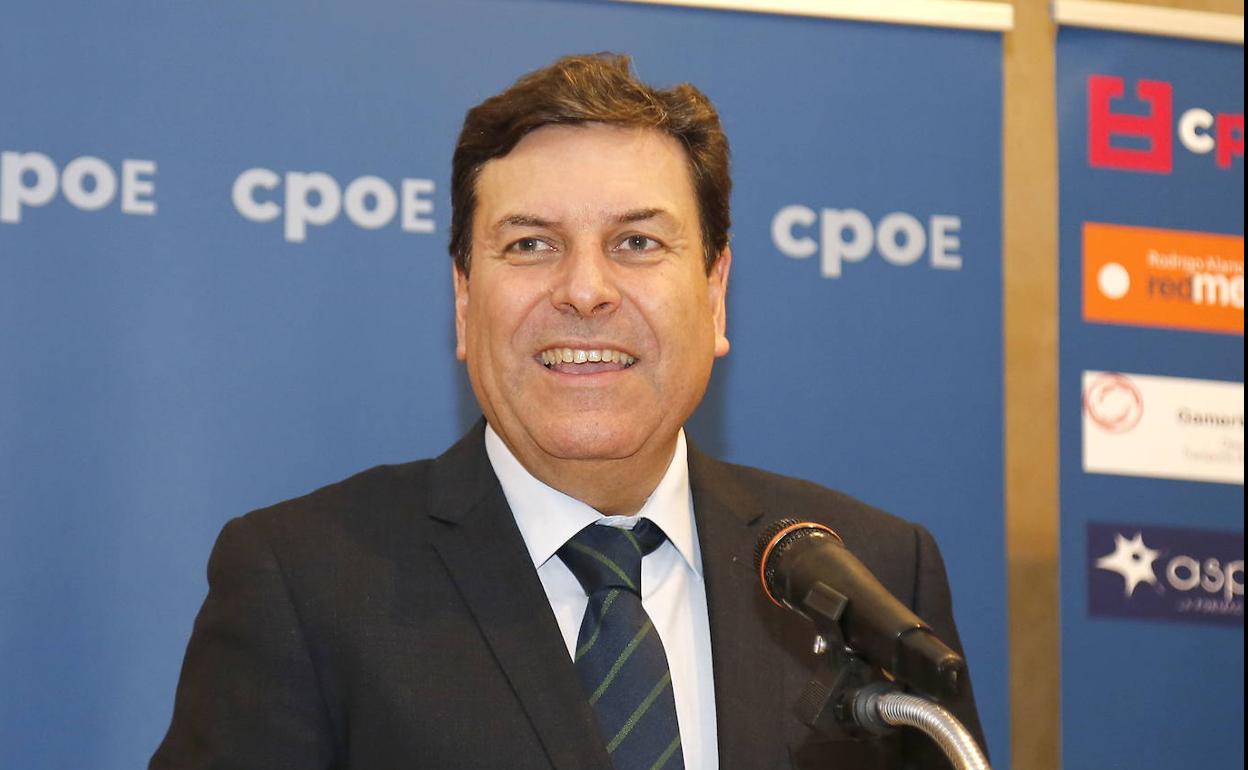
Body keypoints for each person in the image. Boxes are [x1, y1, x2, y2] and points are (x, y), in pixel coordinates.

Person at [151, 53, 983, 770]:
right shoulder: (304, 582)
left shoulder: (867, 574)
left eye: (637, 243)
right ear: (464, 301)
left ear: (715, 294)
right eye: (530, 244)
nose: (585, 291)